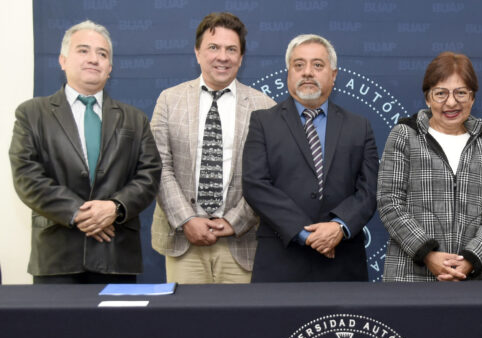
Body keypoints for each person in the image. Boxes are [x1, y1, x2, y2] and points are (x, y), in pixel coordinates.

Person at [9, 20, 161, 284]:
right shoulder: (32, 114)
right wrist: (79, 213)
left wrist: (115, 207)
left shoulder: (134, 119)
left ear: (110, 68)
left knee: (117, 328)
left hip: (116, 255)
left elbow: (149, 175)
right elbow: (26, 175)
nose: (94, 59)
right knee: (55, 328)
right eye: (83, 50)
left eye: (102, 54)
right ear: (63, 60)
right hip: (57, 258)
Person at [150, 13, 275, 284]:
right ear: (197, 53)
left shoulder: (264, 107)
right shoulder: (169, 100)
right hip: (183, 239)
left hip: (241, 243)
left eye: (232, 49)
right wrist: (187, 219)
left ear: (241, 57)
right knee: (185, 324)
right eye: (213, 47)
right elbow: (158, 166)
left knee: (240, 325)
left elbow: (267, 177)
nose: (223, 56)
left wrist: (234, 222)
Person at [242, 34, 378, 282]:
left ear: (334, 75)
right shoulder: (263, 122)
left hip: (343, 262)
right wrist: (306, 234)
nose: (307, 72)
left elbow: (369, 190)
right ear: (288, 73)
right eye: (299, 65)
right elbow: (255, 185)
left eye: (317, 65)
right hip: (281, 260)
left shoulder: (360, 126)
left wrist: (339, 226)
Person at [377, 52, 482, 282]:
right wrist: (428, 254)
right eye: (440, 93)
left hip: (472, 277)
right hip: (410, 276)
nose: (451, 102)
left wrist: (470, 260)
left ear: (472, 98)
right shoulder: (404, 135)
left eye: (461, 93)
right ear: (427, 98)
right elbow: (389, 202)